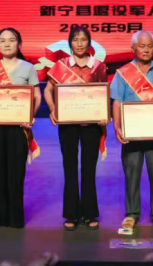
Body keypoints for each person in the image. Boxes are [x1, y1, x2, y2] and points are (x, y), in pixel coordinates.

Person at [44, 26, 108, 231]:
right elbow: (48, 90)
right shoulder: (60, 65)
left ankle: (89, 213)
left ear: (89, 42)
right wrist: (52, 108)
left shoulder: (98, 66)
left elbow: (103, 93)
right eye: (75, 40)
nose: (79, 44)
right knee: (69, 168)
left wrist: (104, 114)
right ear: (69, 43)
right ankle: (71, 213)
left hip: (91, 125)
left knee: (89, 169)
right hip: (68, 124)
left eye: (83, 39)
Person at [110, 31, 153, 231]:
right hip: (132, 133)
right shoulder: (123, 73)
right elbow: (117, 101)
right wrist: (117, 126)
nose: (146, 49)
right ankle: (131, 213)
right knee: (132, 174)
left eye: (150, 46)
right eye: (142, 46)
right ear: (133, 48)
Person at [0, 27, 41, 229]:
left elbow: (36, 96)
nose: (7, 44)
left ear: (19, 44)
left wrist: (30, 116)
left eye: (12, 40)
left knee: (16, 171)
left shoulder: (28, 68)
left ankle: (15, 215)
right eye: (3, 40)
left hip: (18, 127)